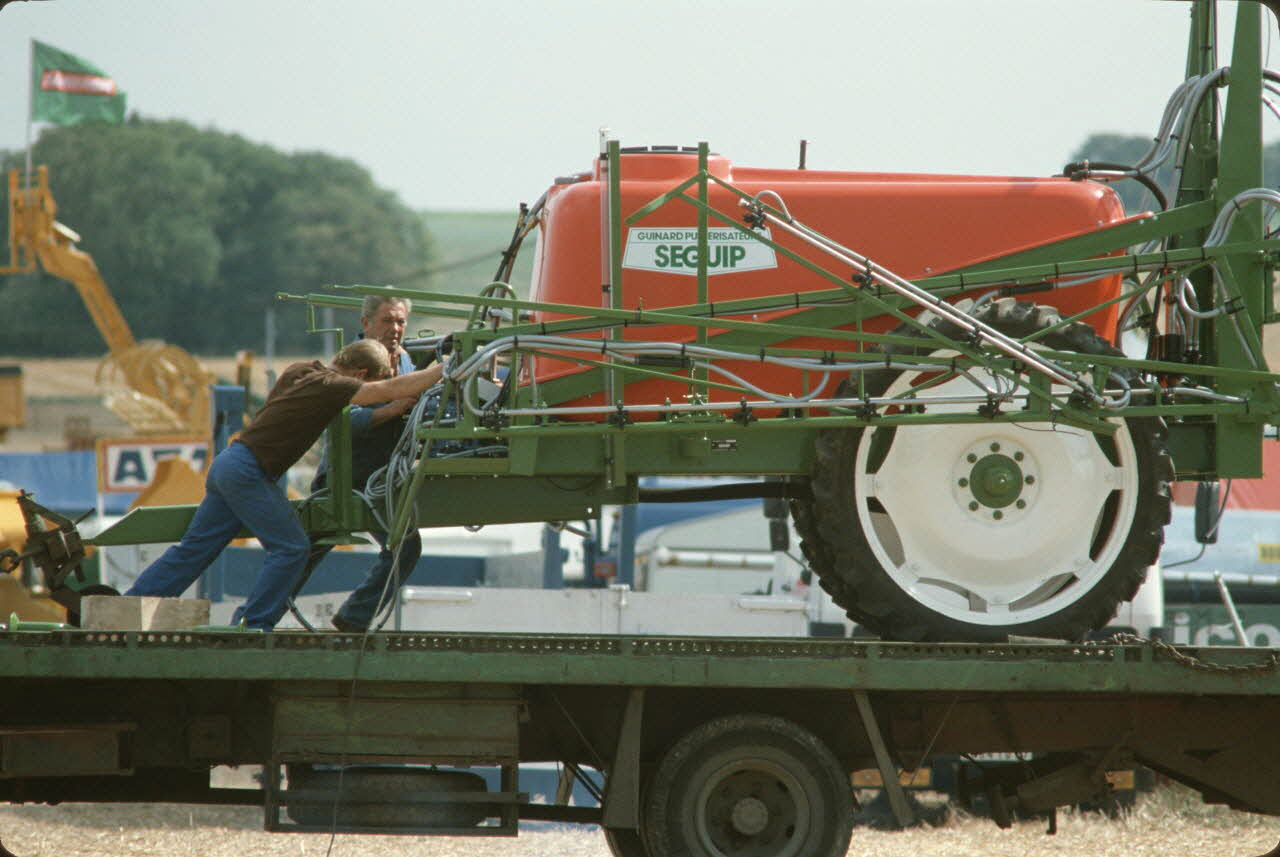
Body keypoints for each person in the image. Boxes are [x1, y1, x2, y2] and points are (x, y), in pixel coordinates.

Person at [125, 338, 443, 631]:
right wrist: (445, 370)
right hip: (247, 472)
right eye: (370, 380)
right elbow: (387, 389)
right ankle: (253, 625)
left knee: (195, 549)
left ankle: (127, 607)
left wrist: (391, 406)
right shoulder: (332, 386)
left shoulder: (301, 370)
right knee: (292, 548)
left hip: (228, 463)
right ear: (360, 375)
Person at [305, 295, 427, 633]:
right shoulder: (352, 361)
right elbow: (346, 418)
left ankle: (354, 618)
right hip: (344, 477)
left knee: (405, 547)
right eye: (387, 320)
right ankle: (259, 616)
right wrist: (394, 408)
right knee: (303, 553)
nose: (395, 328)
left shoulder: (406, 361)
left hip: (381, 480)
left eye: (401, 321)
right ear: (366, 323)